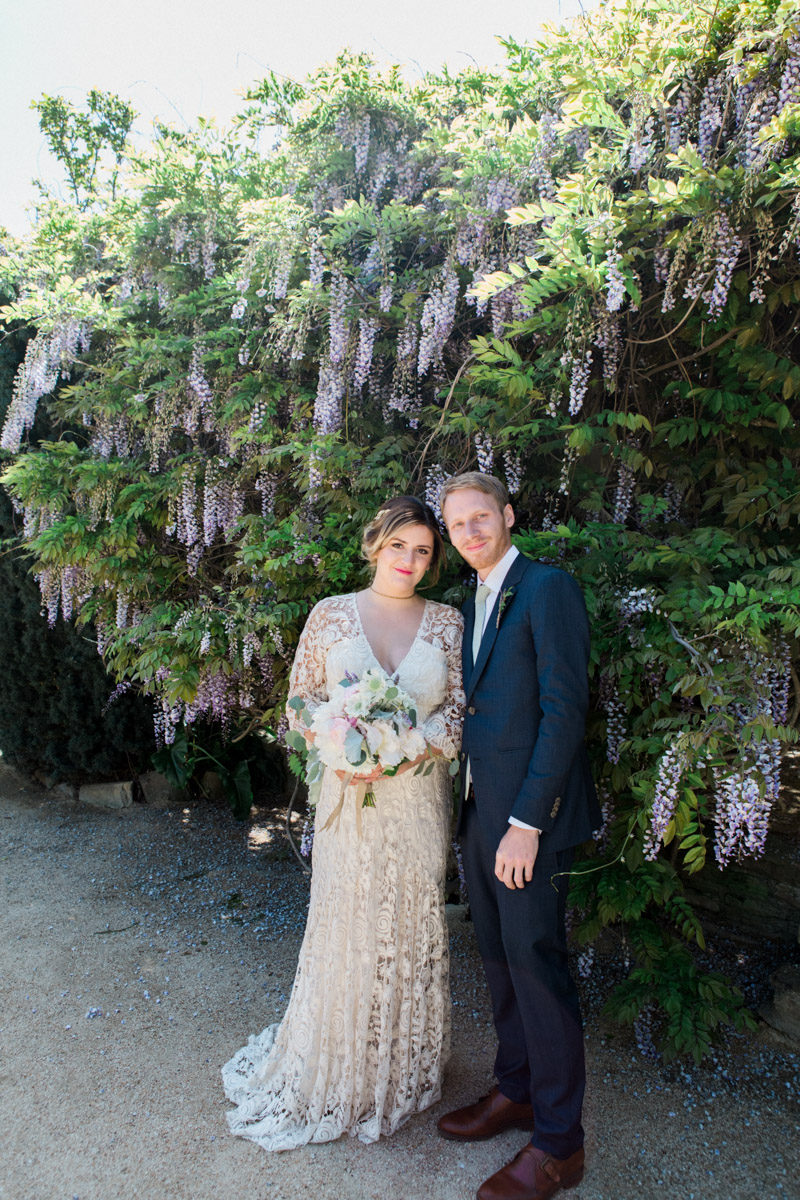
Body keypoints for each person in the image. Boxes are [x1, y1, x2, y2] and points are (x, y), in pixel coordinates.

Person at [222, 495, 465, 1151]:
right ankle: (340, 1064)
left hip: (416, 799)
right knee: (348, 922)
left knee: (409, 921)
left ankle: (399, 1066)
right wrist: (339, 742)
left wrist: (398, 744)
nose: (410, 560)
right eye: (398, 546)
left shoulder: (446, 622)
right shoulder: (330, 615)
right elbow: (300, 702)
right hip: (344, 799)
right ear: (374, 546)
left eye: (422, 550)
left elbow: (461, 716)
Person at [437, 472, 600, 1200]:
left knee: (538, 970)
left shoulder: (546, 588)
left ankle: (561, 1147)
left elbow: (566, 714)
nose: (470, 532)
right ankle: (517, 1090)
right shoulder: (468, 599)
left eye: (480, 517)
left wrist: (527, 824)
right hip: (480, 812)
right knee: (500, 962)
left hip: (527, 823)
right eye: (457, 525)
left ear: (507, 514)